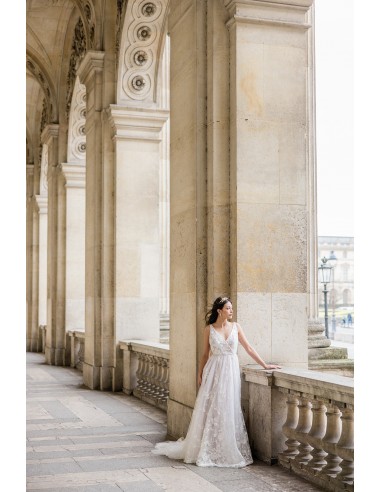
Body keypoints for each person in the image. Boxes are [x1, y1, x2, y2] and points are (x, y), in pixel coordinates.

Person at [152, 296, 281, 468]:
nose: (231, 311)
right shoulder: (209, 329)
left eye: (232, 308)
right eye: (228, 308)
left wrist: (265, 365)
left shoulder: (236, 327)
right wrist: (200, 374)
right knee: (212, 407)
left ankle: (225, 447)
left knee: (228, 407)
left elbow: (248, 348)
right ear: (219, 310)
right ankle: (208, 447)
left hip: (231, 370)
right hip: (214, 371)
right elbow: (205, 355)